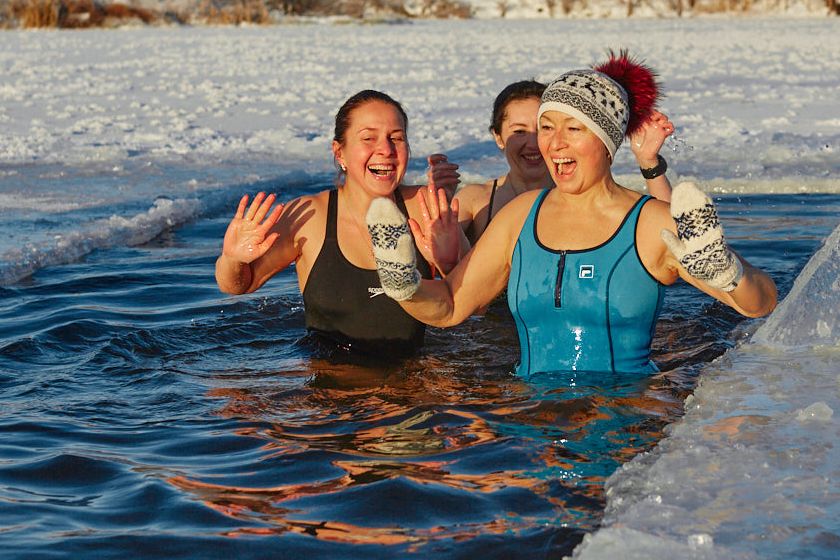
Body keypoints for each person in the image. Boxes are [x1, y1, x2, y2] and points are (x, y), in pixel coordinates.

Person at [364, 53, 778, 377]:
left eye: (573, 129)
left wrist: (729, 273)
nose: (554, 144)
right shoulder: (520, 216)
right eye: (547, 127)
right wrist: (407, 287)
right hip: (533, 422)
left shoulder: (652, 222)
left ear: (606, 141)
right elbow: (451, 306)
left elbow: (761, 304)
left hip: (624, 420)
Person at [214, 89, 465, 357]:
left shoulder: (426, 207)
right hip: (333, 386)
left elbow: (474, 299)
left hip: (414, 382)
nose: (386, 150)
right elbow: (238, 285)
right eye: (369, 138)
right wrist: (233, 259)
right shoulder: (309, 216)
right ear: (340, 153)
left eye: (397, 138)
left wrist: (450, 265)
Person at [454, 78, 676, 246]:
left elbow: (672, 239)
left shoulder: (587, 198)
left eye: (544, 128)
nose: (533, 142)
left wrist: (648, 162)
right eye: (520, 131)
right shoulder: (476, 201)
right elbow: (442, 268)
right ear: (498, 137)